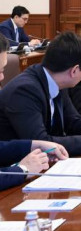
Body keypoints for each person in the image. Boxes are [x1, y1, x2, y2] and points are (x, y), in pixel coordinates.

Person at [0, 32, 81, 156]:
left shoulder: (56, 79)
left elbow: (74, 120)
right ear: (74, 71)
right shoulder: (25, 90)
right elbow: (41, 143)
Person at [0, 34, 69, 190]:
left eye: (2, 70)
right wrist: (23, 170)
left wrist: (33, 145)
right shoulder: (25, 89)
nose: (2, 77)